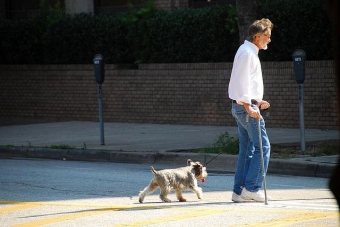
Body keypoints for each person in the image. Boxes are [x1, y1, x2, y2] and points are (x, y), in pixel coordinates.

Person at [228, 18, 273, 202]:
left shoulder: (247, 51)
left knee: (246, 150)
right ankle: (251, 189)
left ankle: (238, 192)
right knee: (263, 147)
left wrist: (257, 101)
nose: (269, 39)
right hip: (245, 108)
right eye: (267, 36)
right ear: (257, 36)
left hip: (243, 106)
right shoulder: (247, 53)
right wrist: (249, 106)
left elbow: (246, 83)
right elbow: (240, 83)